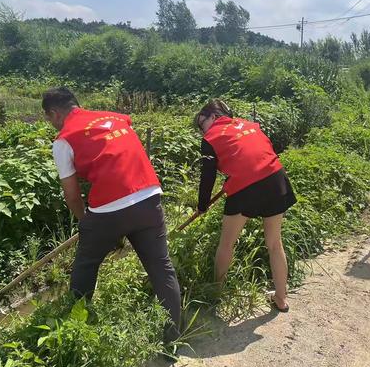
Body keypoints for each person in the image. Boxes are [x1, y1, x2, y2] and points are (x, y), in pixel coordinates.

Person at [42, 87, 181, 341]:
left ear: (54, 113)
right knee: (161, 267)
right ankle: (172, 338)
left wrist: (86, 223)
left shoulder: (64, 139)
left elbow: (72, 196)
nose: (51, 124)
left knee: (86, 264)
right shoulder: (117, 118)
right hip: (149, 197)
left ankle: (77, 334)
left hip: (108, 209)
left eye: (49, 119)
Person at [195, 100, 297, 312]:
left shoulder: (211, 137)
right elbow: (260, 152)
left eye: (201, 123)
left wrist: (202, 205)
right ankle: (281, 298)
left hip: (245, 186)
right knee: (275, 244)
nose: (201, 129)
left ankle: (216, 296)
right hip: (275, 178)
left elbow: (208, 175)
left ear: (213, 116)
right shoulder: (250, 125)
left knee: (226, 244)